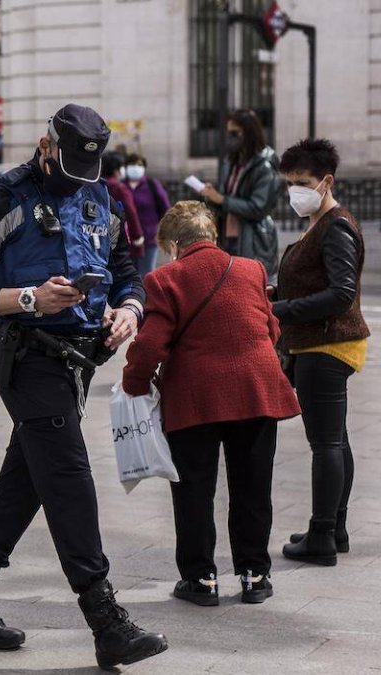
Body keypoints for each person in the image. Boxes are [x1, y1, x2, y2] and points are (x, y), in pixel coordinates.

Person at [0, 104, 167, 670]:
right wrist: (27, 299)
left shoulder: (102, 198)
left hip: (80, 361)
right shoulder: (4, 201)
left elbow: (125, 269)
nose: (77, 181)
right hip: (28, 359)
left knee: (26, 479)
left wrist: (130, 310)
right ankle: (104, 618)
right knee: (67, 477)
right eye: (68, 168)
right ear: (47, 148)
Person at [121, 201, 300, 607]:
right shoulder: (251, 270)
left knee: (195, 491)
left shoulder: (165, 279)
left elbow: (150, 344)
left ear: (173, 244)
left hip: (196, 398)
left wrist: (133, 384)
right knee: (253, 487)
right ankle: (255, 575)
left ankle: (201, 580)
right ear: (212, 237)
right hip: (256, 391)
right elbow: (270, 327)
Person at [272, 138, 369, 566]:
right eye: (289, 182)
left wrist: (279, 308)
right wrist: (277, 291)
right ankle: (335, 527)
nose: (294, 190)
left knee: (325, 443)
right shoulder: (319, 222)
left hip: (326, 342)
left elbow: (341, 293)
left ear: (326, 181)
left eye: (302, 182)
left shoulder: (336, 225)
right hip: (320, 341)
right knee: (336, 441)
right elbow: (315, 282)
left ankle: (321, 536)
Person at [198, 110, 280, 281]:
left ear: (249, 132)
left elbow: (258, 207)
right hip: (227, 236)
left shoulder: (264, 166)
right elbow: (224, 199)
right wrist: (211, 196)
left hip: (253, 240)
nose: (230, 138)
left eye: (235, 133)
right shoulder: (231, 163)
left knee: (249, 288)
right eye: (229, 133)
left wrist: (222, 199)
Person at [124, 154, 171, 275]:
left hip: (149, 239)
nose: (135, 167)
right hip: (126, 240)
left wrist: (161, 230)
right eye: (132, 164)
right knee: (129, 275)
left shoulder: (152, 185)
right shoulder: (121, 186)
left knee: (147, 274)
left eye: (139, 165)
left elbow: (166, 209)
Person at [101, 152, 146, 262]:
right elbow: (131, 212)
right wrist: (137, 235)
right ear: (116, 169)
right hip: (121, 237)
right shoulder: (120, 188)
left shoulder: (98, 186)